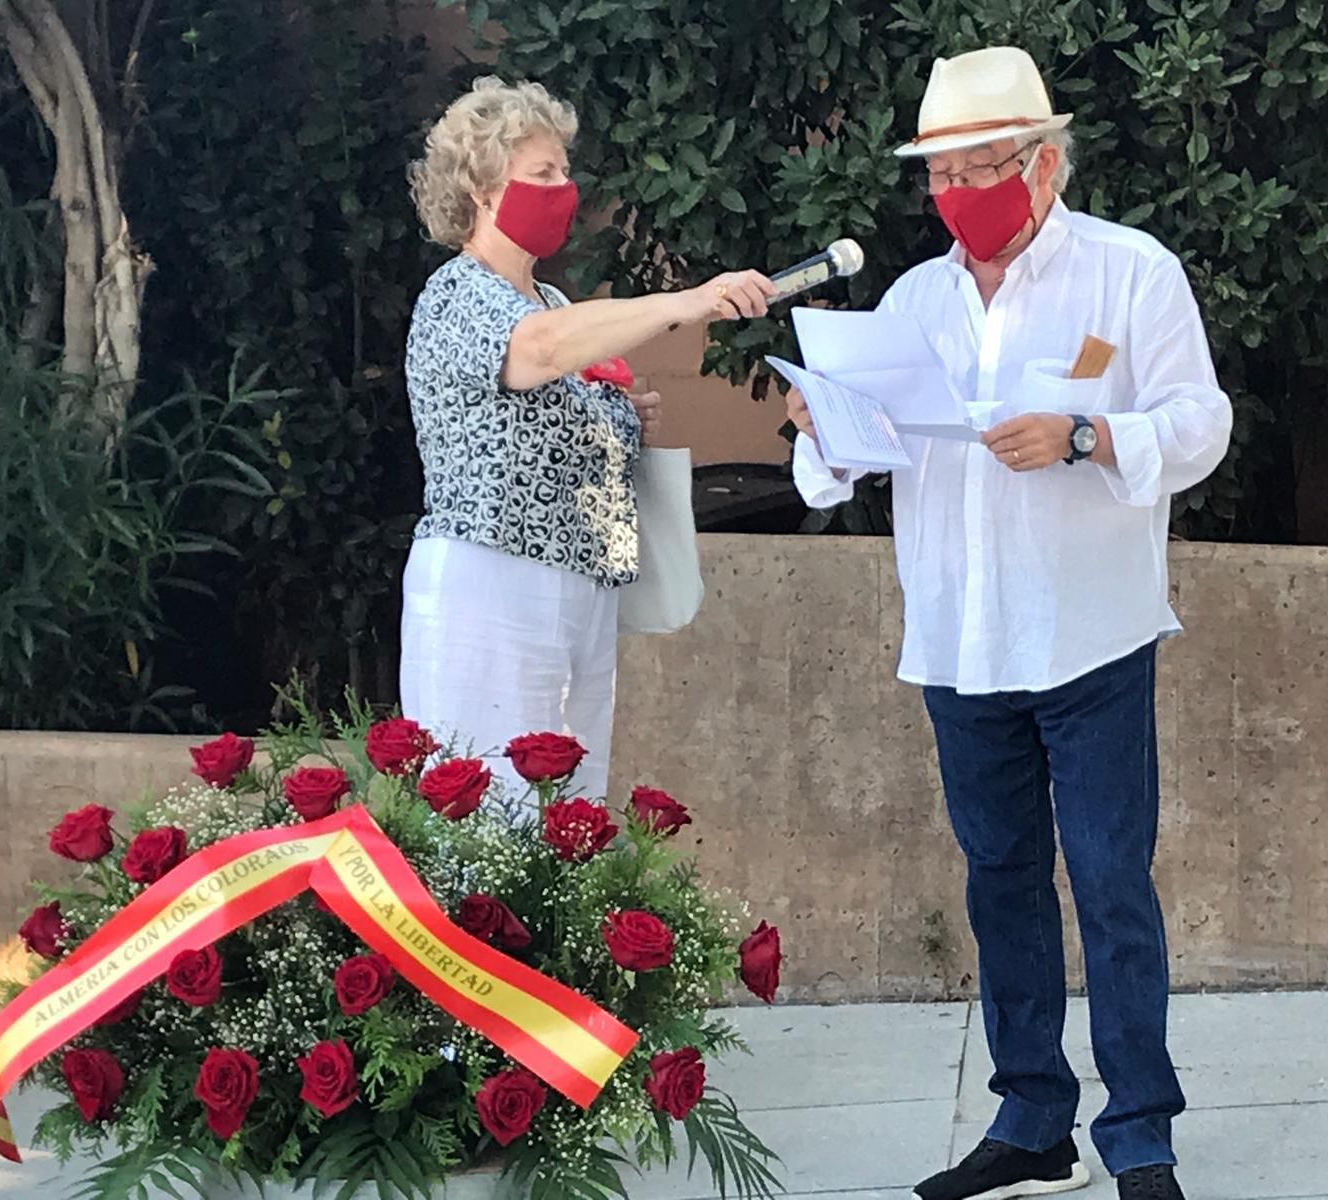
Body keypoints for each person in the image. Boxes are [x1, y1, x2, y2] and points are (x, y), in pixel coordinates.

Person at [788, 46, 1232, 1200]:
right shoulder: (913, 301)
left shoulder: (1129, 275)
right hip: (958, 641)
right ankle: (1032, 1118)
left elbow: (1200, 420)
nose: (956, 196)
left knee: (1110, 883)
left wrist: (1085, 438)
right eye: (937, 177)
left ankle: (1140, 1133)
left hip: (1089, 636)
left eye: (977, 168)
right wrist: (819, 418)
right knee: (999, 882)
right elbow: (834, 474)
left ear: (1042, 164)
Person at [402, 77, 773, 798]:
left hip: (581, 590)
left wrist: (629, 419)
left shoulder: (555, 301)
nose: (562, 188)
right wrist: (685, 302)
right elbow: (537, 351)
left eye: (564, 172)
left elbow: (558, 381)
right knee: (489, 812)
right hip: (493, 581)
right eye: (542, 174)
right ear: (482, 189)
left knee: (570, 818)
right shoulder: (457, 294)